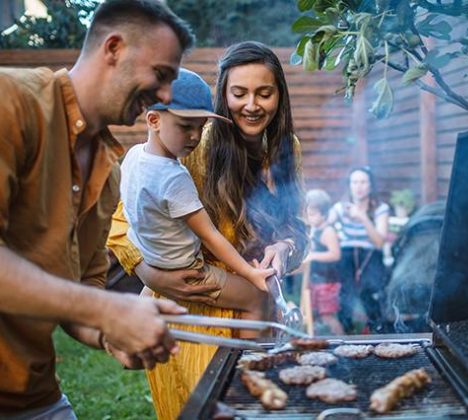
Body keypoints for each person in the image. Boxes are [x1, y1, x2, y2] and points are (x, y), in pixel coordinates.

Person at [0, 0, 195, 417]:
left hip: (33, 396)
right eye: (161, 76)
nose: (164, 96)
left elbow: (82, 290)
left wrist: (112, 334)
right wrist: (109, 309)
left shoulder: (109, 169)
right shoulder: (11, 102)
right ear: (113, 48)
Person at [107, 41, 307, 419]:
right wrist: (153, 273)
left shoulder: (286, 148)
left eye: (264, 93)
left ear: (279, 96)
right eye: (239, 93)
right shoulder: (191, 140)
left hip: (259, 310)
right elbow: (122, 224)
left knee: (257, 406)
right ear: (222, 97)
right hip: (192, 316)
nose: (252, 105)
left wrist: (286, 248)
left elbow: (299, 227)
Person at [120, 67, 275, 332]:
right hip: (188, 270)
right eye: (185, 126)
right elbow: (210, 236)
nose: (194, 136)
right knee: (256, 298)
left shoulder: (133, 155)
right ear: (153, 120)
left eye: (201, 127)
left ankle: (126, 335)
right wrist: (250, 274)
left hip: (153, 256)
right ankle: (247, 364)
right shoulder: (174, 177)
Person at [328, 167, 390, 334]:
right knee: (345, 293)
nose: (359, 186)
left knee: (371, 292)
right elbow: (324, 224)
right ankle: (347, 333)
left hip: (370, 255)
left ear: (371, 185)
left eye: (363, 182)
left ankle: (378, 331)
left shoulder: (380, 208)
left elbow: (378, 242)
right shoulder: (341, 207)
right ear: (349, 185)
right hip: (347, 254)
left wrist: (363, 217)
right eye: (355, 182)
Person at [303, 189, 344, 335]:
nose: (309, 218)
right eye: (307, 214)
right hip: (316, 280)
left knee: (327, 316)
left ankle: (343, 341)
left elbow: (335, 254)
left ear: (324, 214)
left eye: (312, 215)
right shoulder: (315, 229)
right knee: (313, 314)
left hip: (328, 282)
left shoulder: (328, 231)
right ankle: (315, 341)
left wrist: (313, 255)